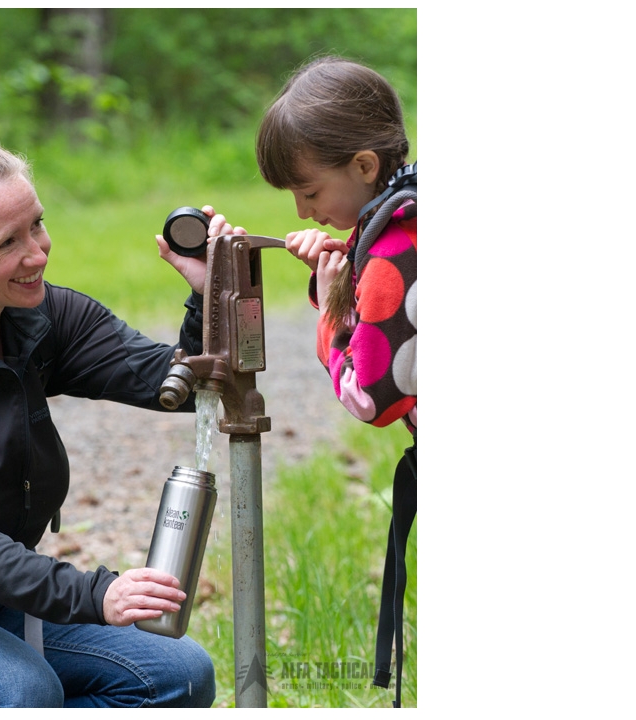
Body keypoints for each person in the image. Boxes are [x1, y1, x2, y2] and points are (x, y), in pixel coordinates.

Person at [0, 86, 238, 708]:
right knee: (17, 691)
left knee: (177, 675)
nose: (37, 252)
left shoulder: (44, 317)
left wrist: (210, 295)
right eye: (7, 243)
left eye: (36, 224)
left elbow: (179, 385)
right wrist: (96, 594)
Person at [254, 55, 417, 705]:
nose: (302, 209)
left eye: (311, 192)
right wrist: (341, 271)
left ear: (364, 165)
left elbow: (370, 395)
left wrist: (329, 310)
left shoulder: (396, 245)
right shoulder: (406, 216)